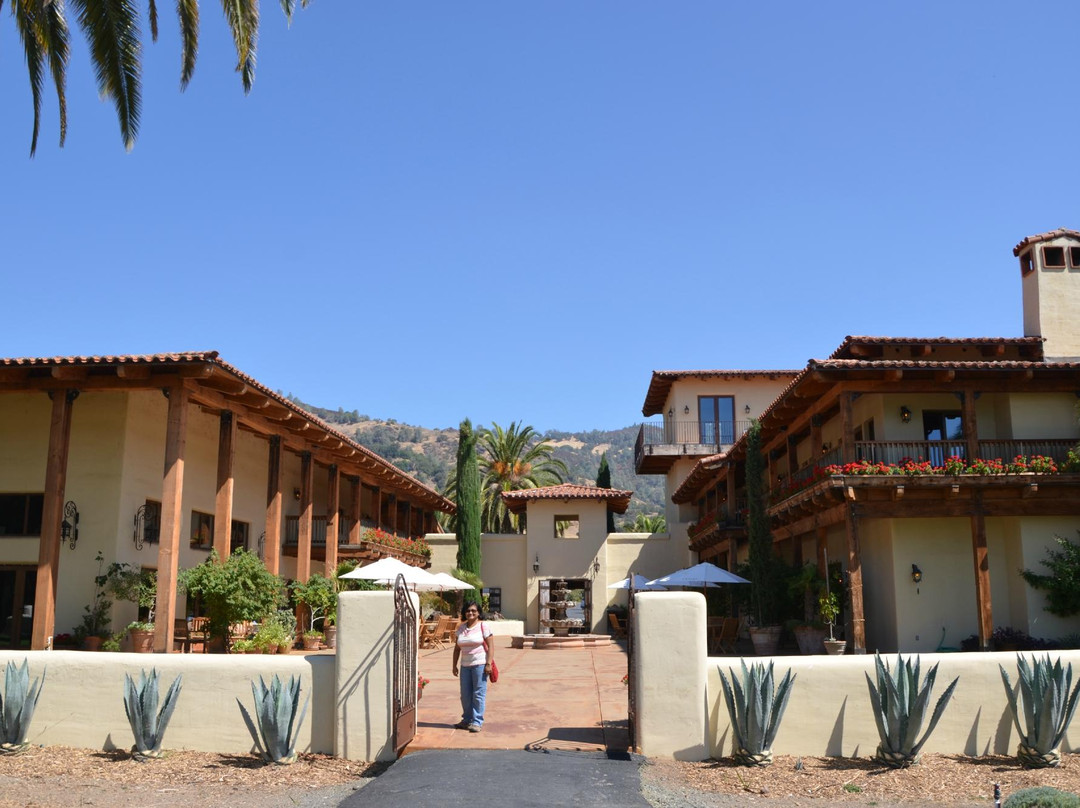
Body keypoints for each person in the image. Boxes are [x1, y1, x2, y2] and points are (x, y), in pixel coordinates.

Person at [451, 600, 494, 732]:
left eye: (473, 610)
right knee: (465, 695)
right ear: (464, 612)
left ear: (478, 612)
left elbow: (491, 647)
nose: (470, 613)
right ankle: (467, 720)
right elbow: (457, 649)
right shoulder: (461, 628)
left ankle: (476, 721)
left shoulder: (483, 626)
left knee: (478, 694)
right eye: (468, 610)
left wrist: (488, 664)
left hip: (480, 665)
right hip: (465, 666)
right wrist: (454, 665)